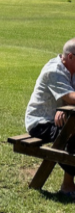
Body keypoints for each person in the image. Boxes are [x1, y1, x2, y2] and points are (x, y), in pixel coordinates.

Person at [26, 38, 75, 198]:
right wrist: (66, 104)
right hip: (40, 122)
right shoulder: (54, 71)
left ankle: (68, 184)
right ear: (70, 57)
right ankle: (67, 186)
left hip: (63, 119)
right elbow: (72, 97)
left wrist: (65, 108)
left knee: (71, 129)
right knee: (71, 134)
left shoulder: (72, 69)